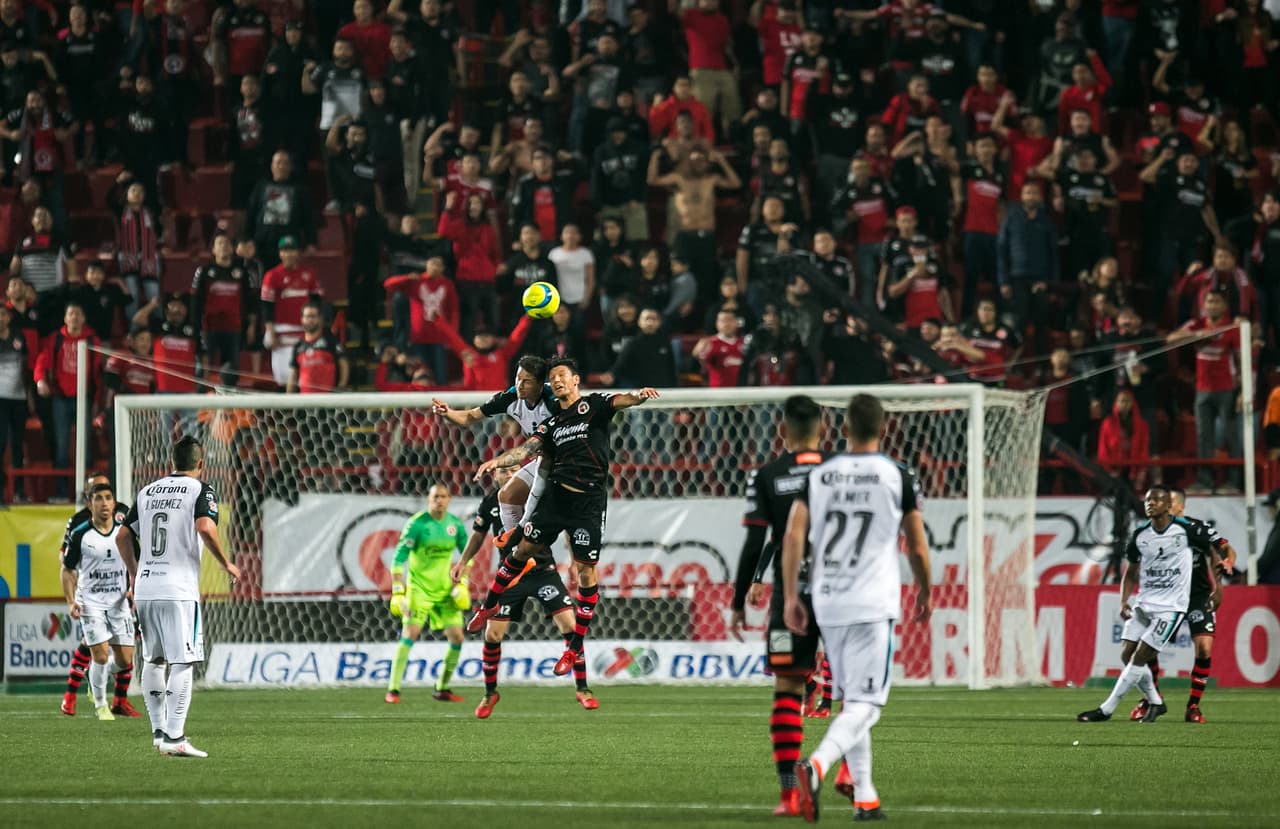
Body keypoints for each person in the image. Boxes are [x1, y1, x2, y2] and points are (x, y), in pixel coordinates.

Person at [783, 393, 932, 823]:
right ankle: (817, 765)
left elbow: (794, 535)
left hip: (828, 598)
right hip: (871, 602)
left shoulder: (821, 474)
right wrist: (925, 589)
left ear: (843, 429)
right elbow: (916, 544)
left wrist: (791, 596)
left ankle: (866, 798)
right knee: (868, 704)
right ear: (883, 429)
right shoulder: (895, 474)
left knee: (852, 700)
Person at [467, 358, 659, 675]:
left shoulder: (594, 406)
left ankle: (573, 650)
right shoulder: (553, 423)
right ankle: (488, 606)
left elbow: (623, 400)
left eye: (562, 376)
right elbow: (526, 450)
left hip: (588, 505)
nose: (556, 381)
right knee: (520, 552)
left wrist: (639, 396)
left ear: (575, 380)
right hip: (556, 498)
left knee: (586, 576)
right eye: (553, 377)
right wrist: (499, 461)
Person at [727, 395, 836, 817]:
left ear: (782, 431)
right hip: (844, 590)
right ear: (823, 429)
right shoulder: (841, 469)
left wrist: (739, 599)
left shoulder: (768, 475)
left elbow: (756, 541)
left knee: (788, 687)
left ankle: (790, 794)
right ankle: (850, 776)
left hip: (793, 590)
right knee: (855, 693)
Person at [117, 436, 243, 757]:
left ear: (172, 461)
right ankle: (175, 737)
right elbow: (205, 527)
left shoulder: (147, 491)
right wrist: (226, 563)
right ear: (201, 463)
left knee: (154, 659)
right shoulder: (201, 489)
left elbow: (122, 536)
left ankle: (159, 732)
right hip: (178, 589)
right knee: (183, 661)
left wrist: (135, 573)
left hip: (146, 587)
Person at [449, 466, 596, 717]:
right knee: (492, 634)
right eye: (503, 471)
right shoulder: (491, 501)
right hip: (511, 575)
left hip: (543, 571)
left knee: (570, 626)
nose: (508, 475)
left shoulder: (537, 494)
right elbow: (478, 534)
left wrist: (574, 560)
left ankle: (583, 689)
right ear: (495, 475)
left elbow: (566, 528)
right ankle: (490, 693)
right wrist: (463, 561)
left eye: (513, 470)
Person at [1077, 485, 1214, 725]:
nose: (1150, 504)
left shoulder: (1186, 531)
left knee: (1141, 656)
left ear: (1168, 505)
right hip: (1144, 604)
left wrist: (1218, 585)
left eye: (1156, 500)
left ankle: (1106, 709)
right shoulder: (1140, 534)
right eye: (1148, 500)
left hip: (1171, 607)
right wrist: (1124, 600)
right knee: (1127, 654)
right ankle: (1156, 701)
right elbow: (1130, 572)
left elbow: (1214, 548)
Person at [1129, 487, 1236, 724]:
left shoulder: (1195, 528)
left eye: (1169, 501)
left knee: (1204, 648)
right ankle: (1151, 699)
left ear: (1179, 506)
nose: (1163, 504)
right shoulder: (1149, 532)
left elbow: (1222, 549)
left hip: (1197, 596)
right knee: (1148, 648)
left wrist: (1223, 574)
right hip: (1167, 598)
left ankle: (1193, 706)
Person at [431, 355, 556, 536]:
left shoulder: (554, 401)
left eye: (527, 381)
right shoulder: (511, 397)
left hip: (568, 463)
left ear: (539, 383)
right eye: (518, 378)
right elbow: (470, 417)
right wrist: (448, 413)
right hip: (544, 460)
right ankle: (515, 547)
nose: (520, 385)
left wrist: (498, 461)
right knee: (506, 496)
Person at [58, 473, 136, 718]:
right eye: (99, 498)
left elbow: (135, 561)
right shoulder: (80, 533)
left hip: (119, 602)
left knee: (124, 661)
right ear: (89, 503)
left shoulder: (124, 531)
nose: (104, 503)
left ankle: (94, 678)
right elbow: (66, 568)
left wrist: (134, 587)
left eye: (108, 498)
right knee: (100, 655)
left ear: (114, 502)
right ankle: (101, 705)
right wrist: (71, 601)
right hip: (91, 602)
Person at [384, 483, 468, 704]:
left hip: (445, 590)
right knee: (409, 634)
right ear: (429, 499)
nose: (439, 500)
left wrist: (463, 584)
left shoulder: (455, 525)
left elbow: (467, 556)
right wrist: (398, 591)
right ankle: (393, 690)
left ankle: (442, 688)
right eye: (435, 496)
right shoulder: (417, 524)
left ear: (449, 499)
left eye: (443, 496)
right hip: (419, 589)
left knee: (458, 637)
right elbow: (398, 558)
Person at [260, 237, 325, 388]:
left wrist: (318, 328)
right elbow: (266, 306)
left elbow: (317, 302)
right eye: (285, 251)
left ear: (298, 253)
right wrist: (270, 331)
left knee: (305, 377)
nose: (288, 254)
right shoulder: (272, 275)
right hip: (282, 330)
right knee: (283, 378)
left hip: (305, 330)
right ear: (280, 253)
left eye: (292, 250)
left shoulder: (309, 274)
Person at [287, 302, 349, 394]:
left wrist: (342, 385)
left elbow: (343, 364)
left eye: (313, 316)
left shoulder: (331, 341)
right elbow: (293, 374)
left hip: (328, 399)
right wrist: (288, 396)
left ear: (320, 319)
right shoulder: (298, 346)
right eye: (307, 317)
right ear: (302, 319)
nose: (310, 320)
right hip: (305, 400)